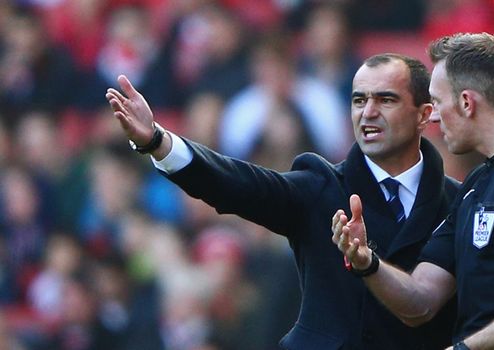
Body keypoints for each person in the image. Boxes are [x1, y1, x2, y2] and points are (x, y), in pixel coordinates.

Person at [105, 53, 460, 349]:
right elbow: (236, 185)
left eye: (386, 99)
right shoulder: (320, 186)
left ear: (424, 114)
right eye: (358, 100)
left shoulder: (460, 201)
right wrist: (157, 142)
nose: (367, 112)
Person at [333, 33, 494, 350]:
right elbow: (422, 300)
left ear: (467, 103)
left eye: (438, 102)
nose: (435, 116)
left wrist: (465, 349)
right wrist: (366, 262)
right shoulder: (476, 184)